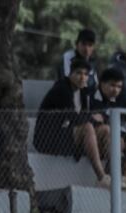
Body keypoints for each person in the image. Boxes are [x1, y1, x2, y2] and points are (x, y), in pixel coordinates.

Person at [34, 56, 114, 190]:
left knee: (106, 129)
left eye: (85, 74)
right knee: (88, 127)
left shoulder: (82, 92)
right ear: (70, 74)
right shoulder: (62, 88)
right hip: (48, 138)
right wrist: (92, 118)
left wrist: (95, 118)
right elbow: (73, 117)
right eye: (78, 73)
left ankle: (114, 176)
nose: (82, 77)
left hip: (67, 135)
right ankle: (101, 177)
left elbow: (93, 115)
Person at [90, 68, 126, 192]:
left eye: (119, 87)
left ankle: (124, 179)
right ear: (102, 83)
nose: (116, 90)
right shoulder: (92, 98)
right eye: (112, 85)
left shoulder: (114, 101)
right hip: (93, 140)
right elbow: (103, 124)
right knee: (115, 137)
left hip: (110, 135)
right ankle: (111, 178)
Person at [58, 29, 99, 94]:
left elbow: (94, 84)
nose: (86, 48)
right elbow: (67, 79)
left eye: (90, 45)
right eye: (83, 44)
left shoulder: (92, 62)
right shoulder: (69, 56)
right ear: (76, 45)